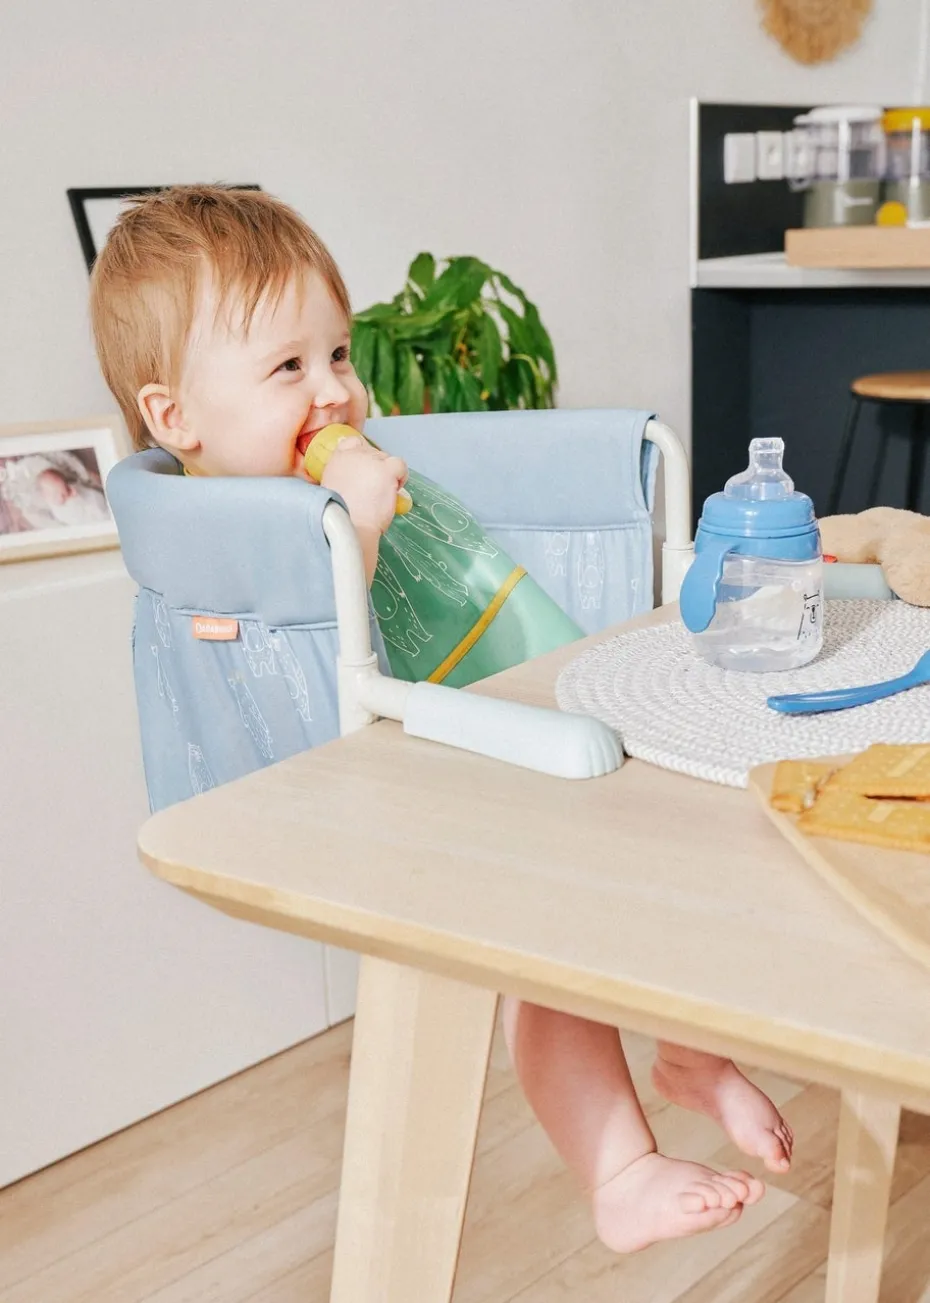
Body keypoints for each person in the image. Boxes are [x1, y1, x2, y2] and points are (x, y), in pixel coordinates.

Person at [90, 184, 792, 1253]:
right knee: (546, 966)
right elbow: (317, 633)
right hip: (411, 788)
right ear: (176, 419)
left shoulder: (333, 466)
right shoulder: (237, 525)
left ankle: (692, 1047)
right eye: (288, 368)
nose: (335, 390)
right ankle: (618, 1169)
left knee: (669, 849)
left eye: (337, 353)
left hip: (499, 733)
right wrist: (358, 520)